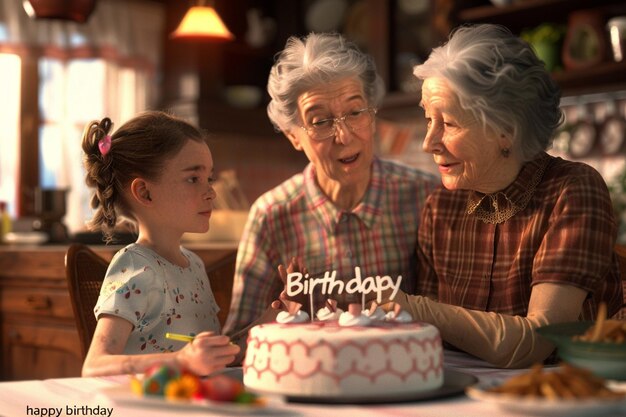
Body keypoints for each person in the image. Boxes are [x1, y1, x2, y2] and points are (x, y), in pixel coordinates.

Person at [388, 24, 622, 368]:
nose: (428, 142)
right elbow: (433, 338)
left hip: (567, 395)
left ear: (506, 131)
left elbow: (538, 341)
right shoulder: (441, 206)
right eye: (428, 120)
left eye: (449, 123)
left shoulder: (572, 191)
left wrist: (409, 307)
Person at [223, 33, 439, 338]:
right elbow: (239, 340)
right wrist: (277, 314)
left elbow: (451, 320)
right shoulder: (271, 215)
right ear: (293, 135)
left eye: (355, 113)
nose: (344, 136)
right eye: (320, 121)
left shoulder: (425, 196)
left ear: (373, 113)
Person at [81, 111, 239, 377]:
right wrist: (181, 362)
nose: (211, 192)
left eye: (209, 178)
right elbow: (95, 366)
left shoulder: (195, 265)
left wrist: (268, 321)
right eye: (193, 179)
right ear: (144, 192)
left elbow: (206, 357)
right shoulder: (135, 268)